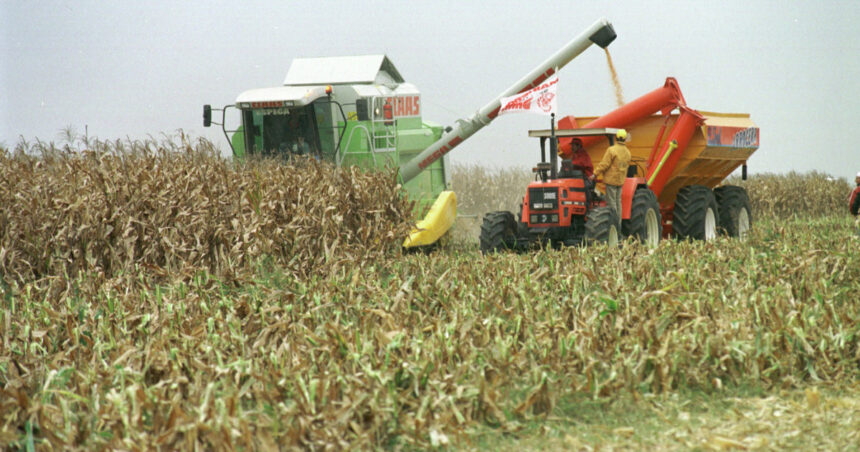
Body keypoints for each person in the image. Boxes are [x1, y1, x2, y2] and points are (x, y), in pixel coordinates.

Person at [592, 129, 631, 226]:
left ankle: (614, 225)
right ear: (625, 139)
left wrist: (595, 174)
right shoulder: (627, 153)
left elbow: (604, 164)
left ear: (616, 137)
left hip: (611, 181)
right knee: (618, 203)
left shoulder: (612, 150)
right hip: (620, 181)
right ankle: (619, 224)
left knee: (612, 203)